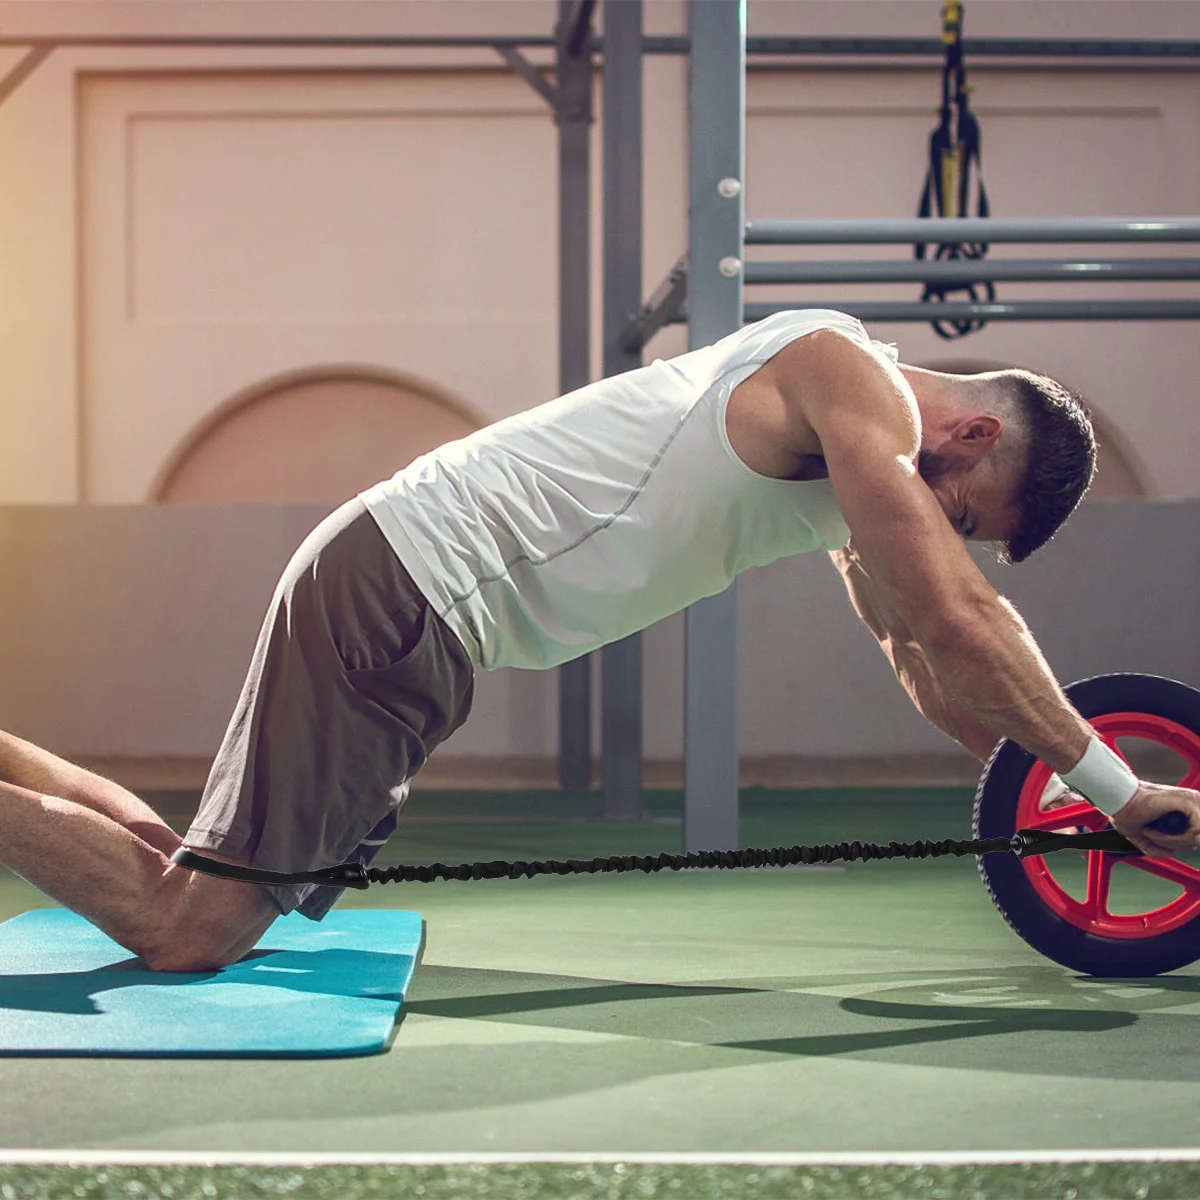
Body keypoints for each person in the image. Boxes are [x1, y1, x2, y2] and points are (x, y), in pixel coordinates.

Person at [2, 308, 1198, 972]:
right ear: (975, 432)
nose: (946, 530)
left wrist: (1051, 791)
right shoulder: (849, 380)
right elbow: (960, 615)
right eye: (964, 512)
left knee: (192, 860)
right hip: (408, 587)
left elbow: (924, 657)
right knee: (190, 930)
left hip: (406, 593)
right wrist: (1117, 782)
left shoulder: (857, 474)